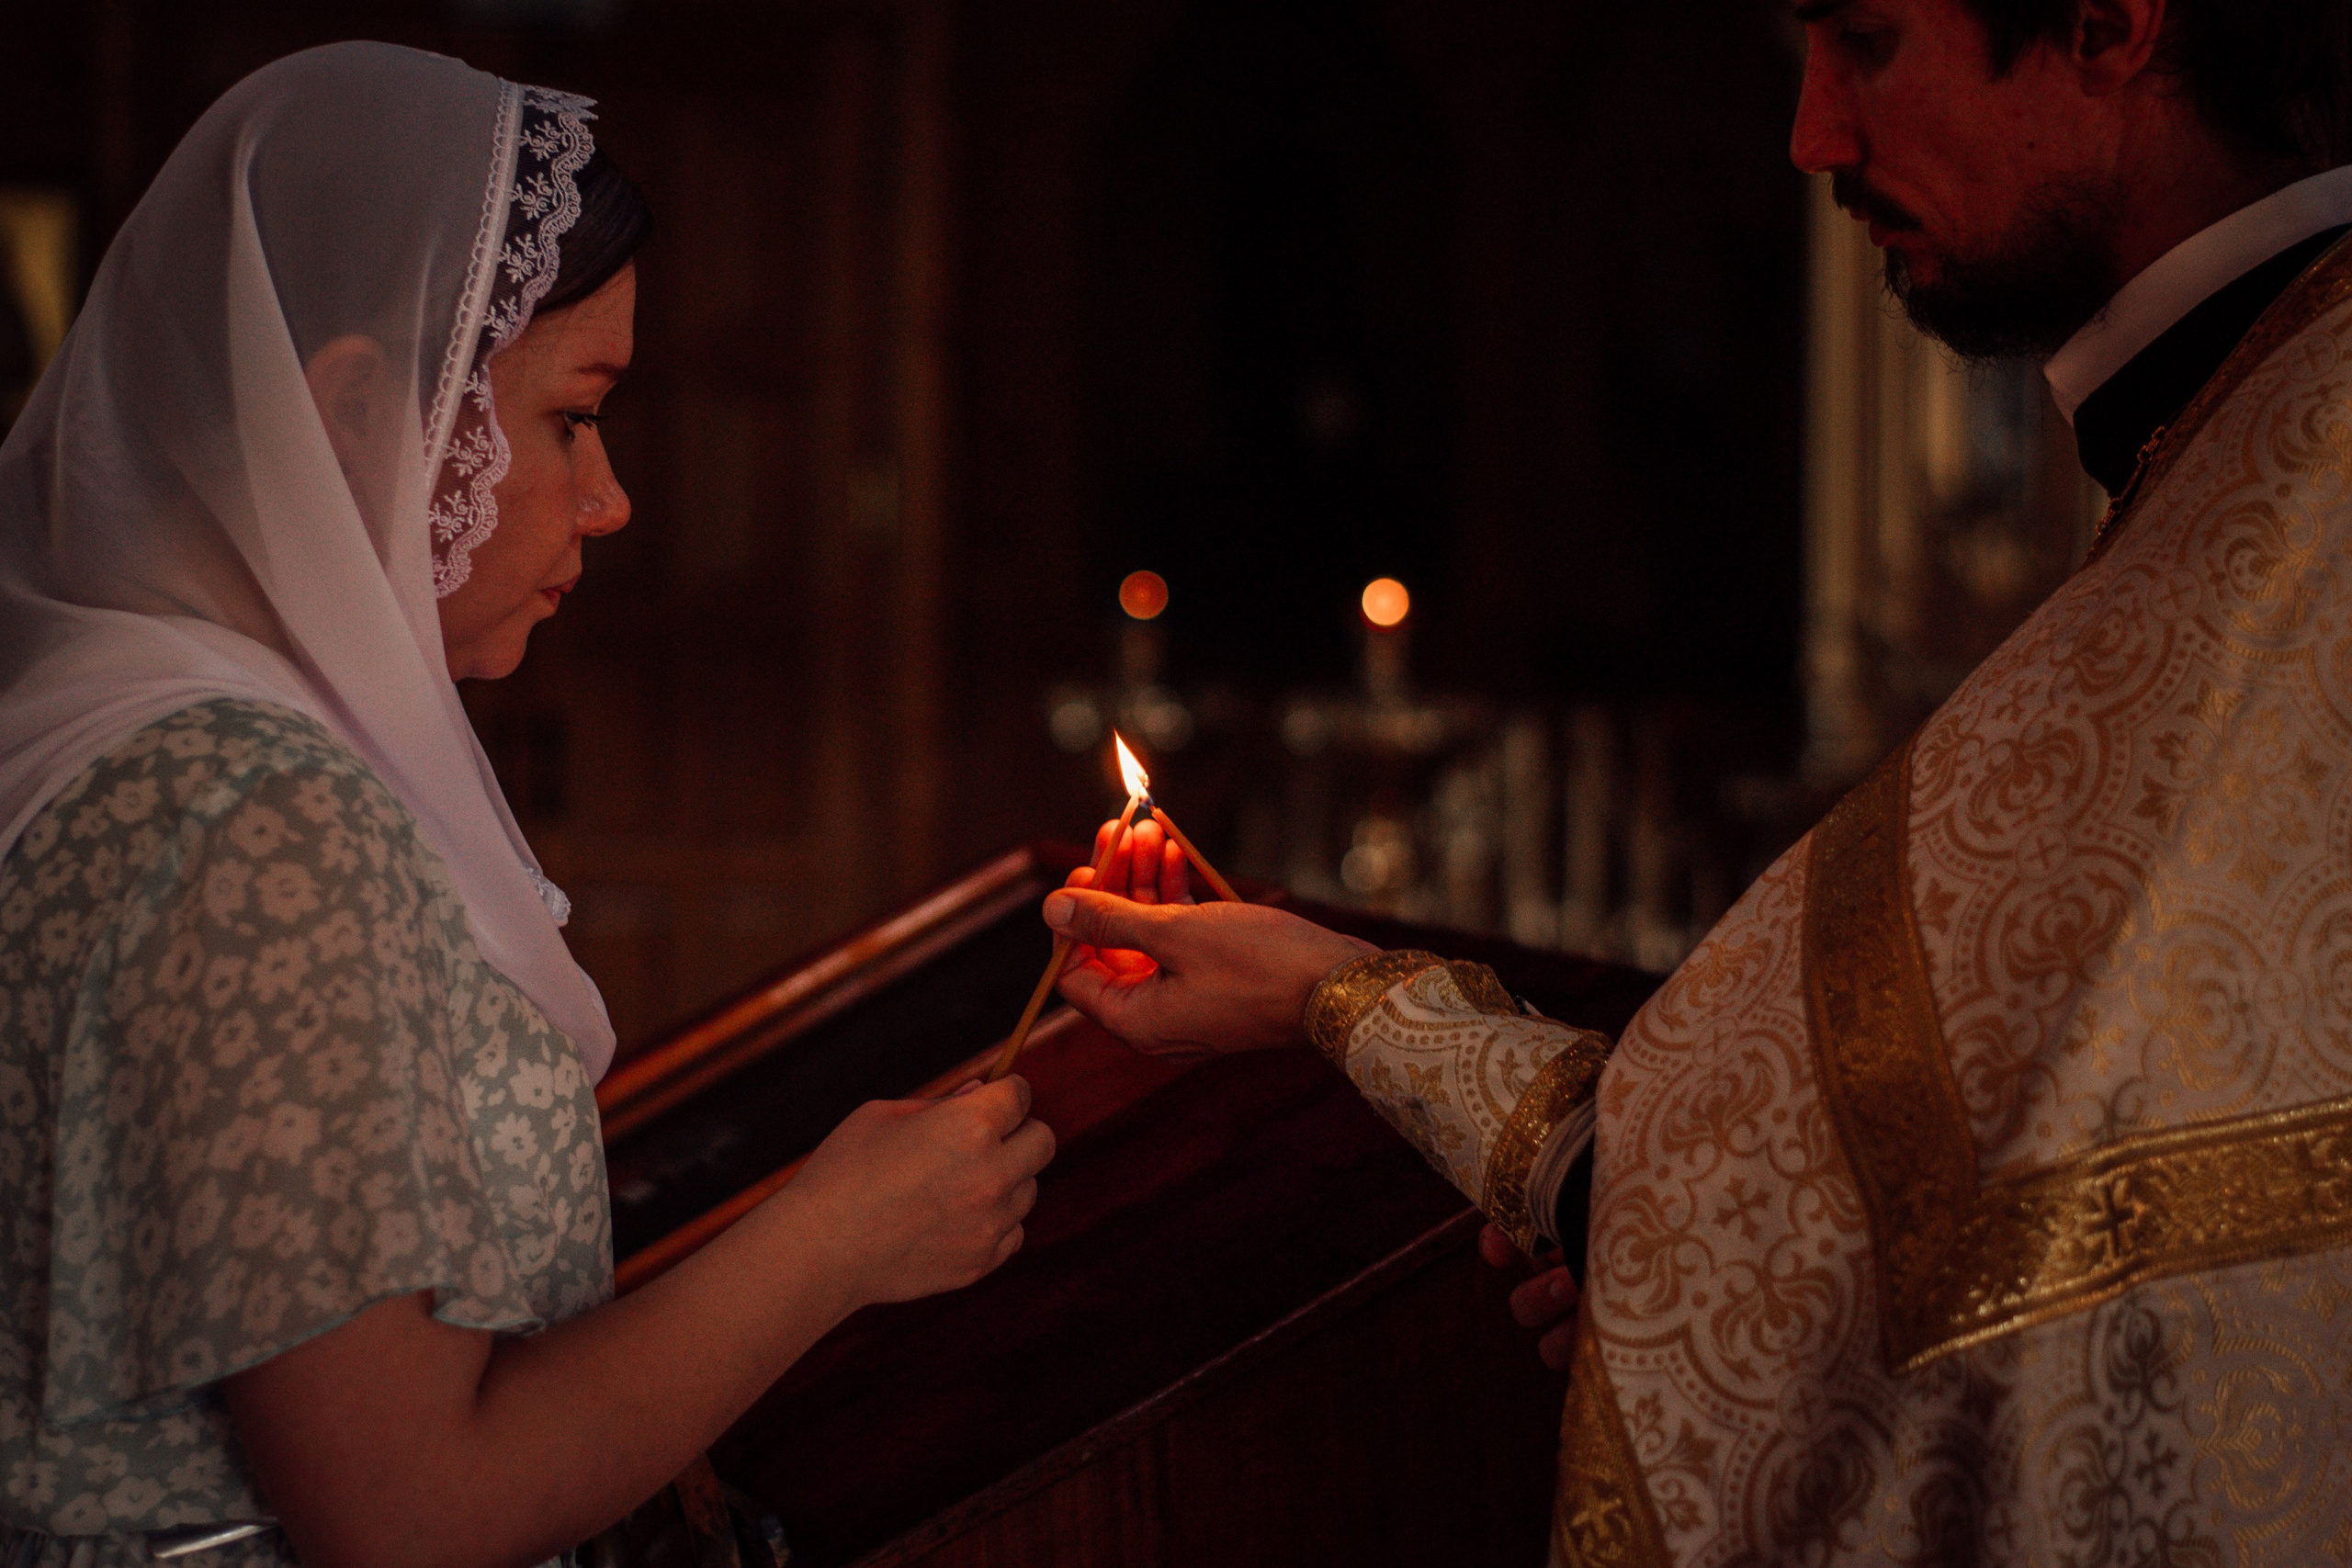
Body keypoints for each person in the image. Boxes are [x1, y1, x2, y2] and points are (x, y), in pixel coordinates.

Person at [1044, 0, 2352, 1561]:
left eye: (1866, 39)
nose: (1811, 135)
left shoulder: (2306, 478)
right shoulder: (2249, 430)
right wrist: (1663, 1241)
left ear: (2111, 21)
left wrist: (1371, 1026)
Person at [0, 42, 1054, 1568]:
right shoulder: (254, 818)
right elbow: (405, 1509)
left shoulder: (127, 732)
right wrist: (835, 1243)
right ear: (362, 412)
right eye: (571, 417)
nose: (609, 497)